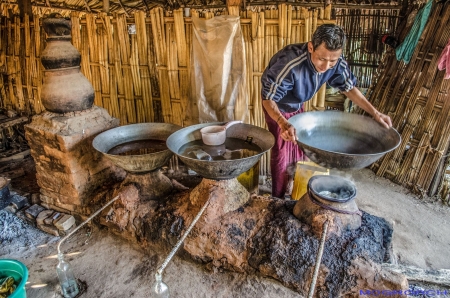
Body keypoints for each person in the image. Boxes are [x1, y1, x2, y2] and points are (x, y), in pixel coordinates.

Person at [261, 24, 392, 199]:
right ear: (310, 47)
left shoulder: (334, 63)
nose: (326, 66)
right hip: (277, 107)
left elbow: (349, 88)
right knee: (281, 150)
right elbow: (268, 99)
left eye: (333, 60)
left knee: (300, 148)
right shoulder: (290, 63)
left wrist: (375, 113)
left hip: (298, 104)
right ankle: (277, 198)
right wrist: (282, 122)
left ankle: (293, 188)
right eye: (322, 58)